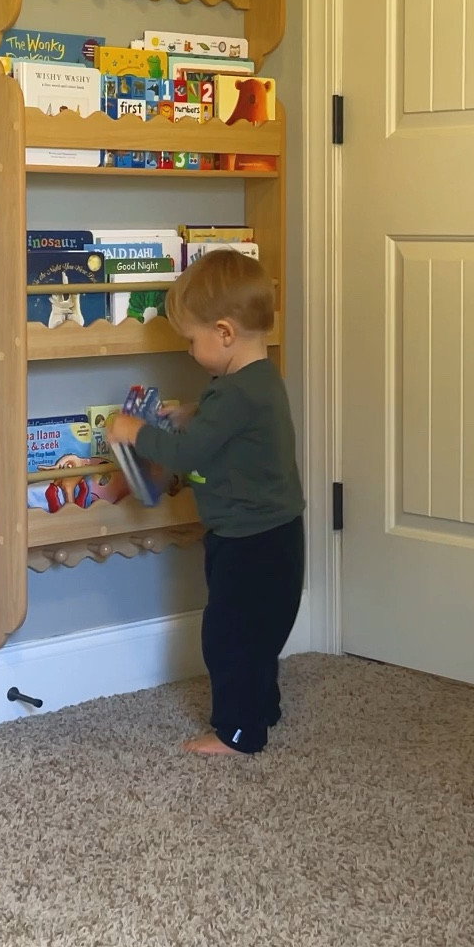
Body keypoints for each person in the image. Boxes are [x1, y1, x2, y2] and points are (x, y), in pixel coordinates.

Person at [108, 250, 304, 758]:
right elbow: (227, 421)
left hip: (247, 540)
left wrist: (136, 431)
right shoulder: (256, 380)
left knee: (228, 638)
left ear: (223, 332)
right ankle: (262, 707)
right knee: (257, 633)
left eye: (191, 341)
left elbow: (185, 454)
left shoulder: (234, 395)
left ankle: (237, 732)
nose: (190, 351)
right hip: (276, 533)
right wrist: (195, 410)